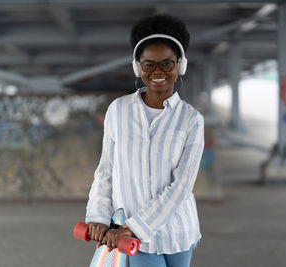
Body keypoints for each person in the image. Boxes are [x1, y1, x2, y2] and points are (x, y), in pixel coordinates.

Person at [85, 14, 204, 267]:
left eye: (167, 64)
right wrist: (97, 215)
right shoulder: (118, 111)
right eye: (149, 64)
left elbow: (181, 186)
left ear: (180, 66)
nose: (158, 72)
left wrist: (133, 227)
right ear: (137, 67)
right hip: (132, 238)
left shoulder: (191, 120)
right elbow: (106, 169)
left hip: (179, 233)